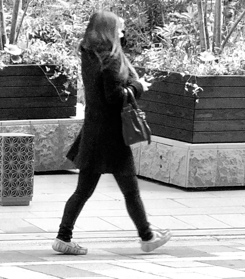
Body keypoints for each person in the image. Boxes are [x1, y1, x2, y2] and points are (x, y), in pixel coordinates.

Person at [52, 11, 171, 256]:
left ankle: (63, 237)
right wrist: (138, 86)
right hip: (112, 136)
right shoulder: (110, 59)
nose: (122, 32)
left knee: (84, 190)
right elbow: (114, 97)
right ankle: (146, 236)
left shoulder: (90, 55)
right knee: (130, 190)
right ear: (108, 30)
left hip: (94, 132)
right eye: (119, 29)